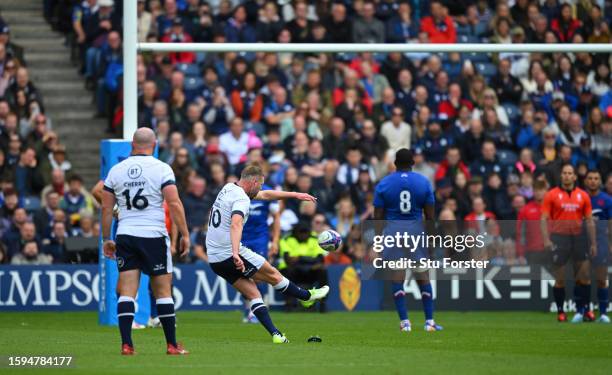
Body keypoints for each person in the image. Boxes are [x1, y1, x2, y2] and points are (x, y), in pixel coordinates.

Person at [205, 163, 329, 343]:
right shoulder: (242, 199)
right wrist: (235, 253)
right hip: (229, 252)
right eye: (260, 184)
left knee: (254, 294)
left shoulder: (229, 188)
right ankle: (306, 296)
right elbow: (236, 223)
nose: (261, 188)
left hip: (215, 259)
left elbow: (265, 195)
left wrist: (294, 194)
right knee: (272, 274)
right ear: (254, 181)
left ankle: (276, 335)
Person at [101, 128, 190, 355]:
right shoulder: (161, 168)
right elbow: (174, 203)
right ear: (155, 144)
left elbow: (105, 207)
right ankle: (171, 345)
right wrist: (185, 234)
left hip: (126, 234)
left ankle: (127, 344)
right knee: (162, 292)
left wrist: (106, 239)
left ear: (132, 144)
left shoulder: (116, 170)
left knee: (127, 291)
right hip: (153, 235)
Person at [373, 148, 442, 332]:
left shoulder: (384, 183)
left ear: (395, 163)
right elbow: (430, 216)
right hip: (416, 233)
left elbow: (378, 216)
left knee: (398, 277)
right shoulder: (424, 182)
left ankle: (405, 323)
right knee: (423, 277)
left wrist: (378, 241)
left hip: (393, 233)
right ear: (413, 163)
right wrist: (432, 241)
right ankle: (429, 322)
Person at [541, 164, 596, 323]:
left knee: (584, 277)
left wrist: (593, 243)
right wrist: (546, 239)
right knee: (560, 279)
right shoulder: (551, 195)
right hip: (559, 238)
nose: (566, 176)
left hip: (579, 238)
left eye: (569, 173)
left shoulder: (583, 195)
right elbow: (543, 218)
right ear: (561, 176)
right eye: (564, 173)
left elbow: (590, 221)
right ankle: (561, 311)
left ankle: (585, 310)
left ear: (574, 177)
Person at [240, 183, 281, 323]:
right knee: (242, 274)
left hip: (259, 238)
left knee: (258, 274)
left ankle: (256, 311)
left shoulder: (268, 192)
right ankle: (249, 309)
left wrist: (275, 241)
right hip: (241, 237)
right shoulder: (239, 190)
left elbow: (276, 218)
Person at [584, 170, 612, 324]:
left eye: (596, 178)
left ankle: (603, 313)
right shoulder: (581, 198)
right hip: (583, 242)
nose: (593, 181)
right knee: (584, 278)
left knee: (601, 279)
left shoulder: (607, 200)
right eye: (590, 178)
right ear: (585, 181)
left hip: (601, 242)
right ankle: (583, 311)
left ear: (600, 181)